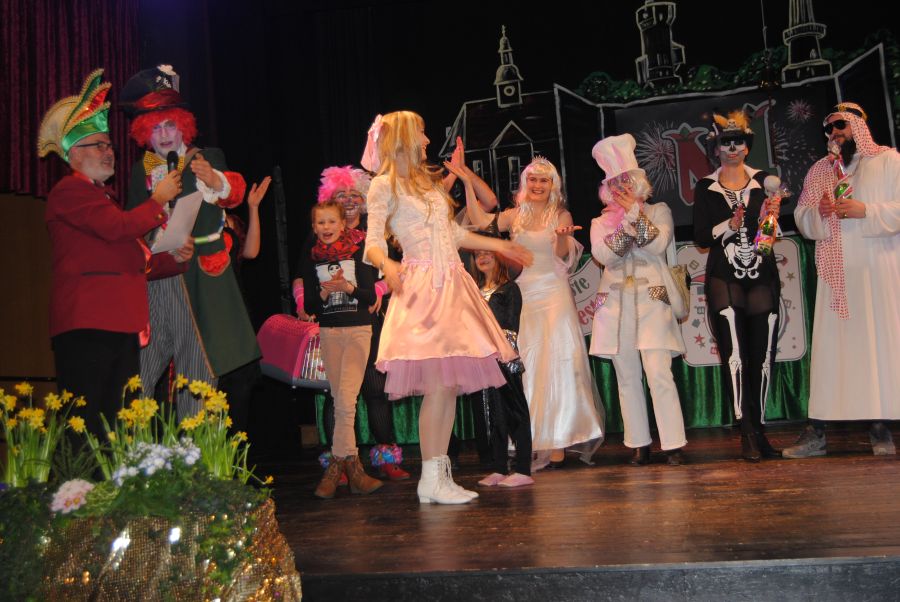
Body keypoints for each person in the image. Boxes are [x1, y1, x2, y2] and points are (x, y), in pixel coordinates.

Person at [362, 110, 532, 504]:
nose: (426, 141)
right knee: (438, 386)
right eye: (421, 133)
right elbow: (372, 244)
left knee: (448, 387)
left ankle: (438, 477)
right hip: (424, 286)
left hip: (452, 284)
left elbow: (453, 234)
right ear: (405, 138)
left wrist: (500, 244)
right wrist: (388, 265)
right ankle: (430, 479)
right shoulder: (383, 185)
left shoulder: (428, 185)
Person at [37, 69, 190, 435]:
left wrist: (175, 260)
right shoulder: (69, 192)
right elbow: (119, 229)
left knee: (115, 421)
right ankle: (79, 476)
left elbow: (132, 259)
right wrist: (157, 201)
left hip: (118, 322)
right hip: (89, 323)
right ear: (75, 153)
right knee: (88, 419)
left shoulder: (102, 199)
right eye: (99, 146)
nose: (109, 153)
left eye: (110, 147)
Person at [120, 65, 259, 418]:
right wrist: (160, 240)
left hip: (202, 278)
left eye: (170, 125)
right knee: (144, 366)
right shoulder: (140, 170)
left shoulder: (205, 157)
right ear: (144, 133)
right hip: (160, 278)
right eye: (155, 128)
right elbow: (133, 226)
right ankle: (131, 437)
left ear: (183, 126)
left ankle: (198, 444)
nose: (164, 134)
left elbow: (233, 192)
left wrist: (213, 179)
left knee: (199, 367)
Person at [458, 156, 605, 470]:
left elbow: (561, 256)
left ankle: (559, 440)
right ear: (526, 184)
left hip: (554, 294)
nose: (538, 185)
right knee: (529, 364)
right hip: (524, 296)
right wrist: (467, 180)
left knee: (560, 363)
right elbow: (479, 220)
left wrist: (562, 235)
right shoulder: (515, 215)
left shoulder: (560, 214)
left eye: (544, 180)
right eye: (533, 180)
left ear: (553, 185)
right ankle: (530, 438)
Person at [784, 101, 900, 457]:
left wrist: (867, 211)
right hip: (836, 278)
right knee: (831, 353)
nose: (835, 133)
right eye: (830, 128)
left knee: (877, 349)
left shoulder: (889, 161)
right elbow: (802, 216)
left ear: (858, 125)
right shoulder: (821, 170)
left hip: (876, 270)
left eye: (841, 125)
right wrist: (817, 213)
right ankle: (817, 430)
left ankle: (880, 428)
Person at [292, 165, 412, 481]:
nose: (348, 200)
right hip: (333, 321)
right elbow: (301, 275)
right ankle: (340, 462)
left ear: (364, 199)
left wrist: (379, 290)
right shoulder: (318, 237)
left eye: (354, 194)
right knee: (338, 394)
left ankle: (386, 457)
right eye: (341, 195)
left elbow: (399, 269)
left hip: (368, 320)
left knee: (375, 387)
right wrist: (303, 303)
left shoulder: (376, 232)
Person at [589, 134, 687, 466]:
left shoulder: (659, 211)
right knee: (627, 376)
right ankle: (639, 443)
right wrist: (626, 227)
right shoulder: (599, 223)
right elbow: (604, 255)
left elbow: (657, 246)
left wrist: (635, 214)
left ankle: (673, 443)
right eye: (615, 183)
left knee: (659, 372)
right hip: (616, 307)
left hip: (652, 300)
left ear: (639, 181)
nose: (622, 187)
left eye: (627, 181)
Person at [692, 110, 782, 462]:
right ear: (716, 148)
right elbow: (702, 237)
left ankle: (759, 429)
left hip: (761, 273)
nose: (732, 148)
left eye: (738, 142)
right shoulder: (706, 187)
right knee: (735, 355)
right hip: (724, 276)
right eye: (725, 142)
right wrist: (728, 226)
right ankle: (745, 429)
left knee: (762, 354)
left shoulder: (764, 182)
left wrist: (770, 216)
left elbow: (769, 237)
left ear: (747, 146)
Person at [300, 200, 383, 498]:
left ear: (341, 224)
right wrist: (325, 291)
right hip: (329, 332)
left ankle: (336, 469)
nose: (326, 227)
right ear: (314, 227)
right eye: (321, 222)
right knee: (340, 400)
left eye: (331, 222)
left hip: (358, 330)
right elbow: (310, 305)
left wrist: (348, 288)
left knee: (347, 399)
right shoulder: (311, 258)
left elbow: (370, 295)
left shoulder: (359, 251)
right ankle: (354, 470)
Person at [466, 246, 533, 487]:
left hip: (504, 358)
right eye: (478, 254)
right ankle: (499, 467)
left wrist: (502, 353)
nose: (482, 257)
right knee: (492, 414)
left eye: (488, 253)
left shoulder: (509, 289)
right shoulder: (473, 291)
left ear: (499, 258)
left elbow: (511, 327)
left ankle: (523, 469)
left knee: (515, 410)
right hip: (481, 358)